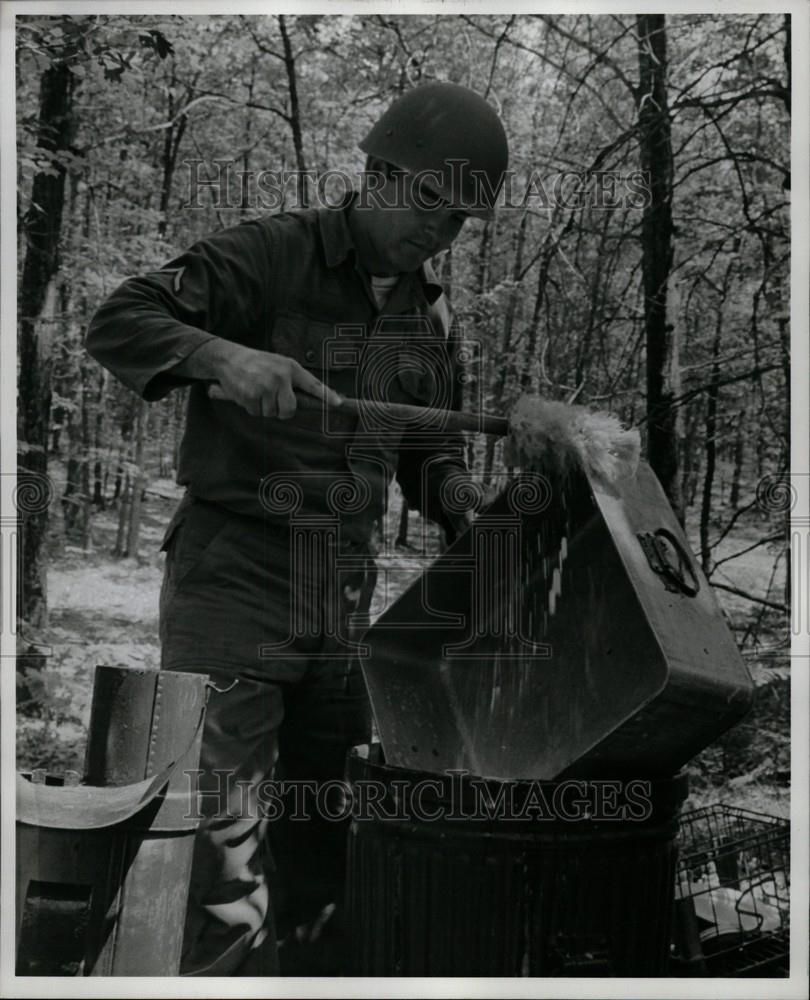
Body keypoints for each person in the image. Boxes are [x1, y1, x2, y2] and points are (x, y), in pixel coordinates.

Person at [86, 80, 509, 976]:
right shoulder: (270, 254)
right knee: (223, 855)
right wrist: (219, 356)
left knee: (328, 842)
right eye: (432, 201)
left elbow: (427, 452)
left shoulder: (432, 320)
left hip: (343, 602)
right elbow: (119, 318)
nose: (443, 230)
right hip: (232, 579)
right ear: (378, 173)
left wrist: (459, 500)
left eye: (464, 217)